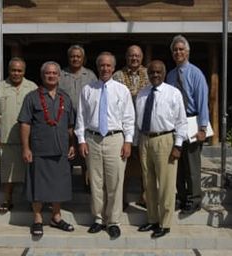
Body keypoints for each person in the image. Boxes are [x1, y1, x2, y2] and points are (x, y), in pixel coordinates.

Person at [75, 51, 135, 239]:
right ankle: (98, 219)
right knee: (95, 182)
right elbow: (81, 118)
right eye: (102, 65)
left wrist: (128, 141)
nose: (105, 68)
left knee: (115, 182)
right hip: (92, 139)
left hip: (115, 139)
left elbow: (129, 118)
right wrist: (81, 140)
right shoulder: (88, 89)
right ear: (97, 67)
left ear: (113, 68)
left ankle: (113, 221)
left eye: (109, 65)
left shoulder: (121, 90)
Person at [18, 61, 76, 236]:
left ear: (59, 76)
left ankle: (56, 217)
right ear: (42, 76)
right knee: (38, 186)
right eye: (47, 73)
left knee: (59, 185)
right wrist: (26, 148)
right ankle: (37, 218)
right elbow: (25, 124)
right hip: (39, 150)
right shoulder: (32, 97)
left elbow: (70, 125)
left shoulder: (65, 97)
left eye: (54, 73)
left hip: (61, 150)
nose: (51, 76)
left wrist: (72, 144)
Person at [136, 60, 187, 238]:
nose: (155, 75)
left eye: (158, 72)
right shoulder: (142, 94)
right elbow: (138, 120)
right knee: (148, 184)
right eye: (152, 72)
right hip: (145, 140)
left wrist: (178, 145)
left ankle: (165, 224)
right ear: (147, 74)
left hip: (165, 140)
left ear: (164, 73)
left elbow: (181, 121)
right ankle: (152, 219)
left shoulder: (173, 93)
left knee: (166, 184)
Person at [0, 57, 37, 214]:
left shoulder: (32, 87)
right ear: (9, 71)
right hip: (7, 138)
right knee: (8, 174)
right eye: (13, 70)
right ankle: (8, 201)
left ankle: (32, 202)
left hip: (29, 140)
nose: (16, 73)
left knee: (30, 172)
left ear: (24, 71)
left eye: (19, 70)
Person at [166, 35, 210, 214]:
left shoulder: (196, 73)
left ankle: (194, 200)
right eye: (175, 50)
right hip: (175, 124)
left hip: (192, 121)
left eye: (181, 49)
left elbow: (202, 101)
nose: (178, 52)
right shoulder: (170, 75)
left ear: (188, 52)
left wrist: (203, 128)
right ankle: (182, 197)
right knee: (178, 165)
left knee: (192, 166)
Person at [113, 45, 149, 209]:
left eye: (137, 56)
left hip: (144, 127)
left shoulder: (149, 74)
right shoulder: (117, 76)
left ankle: (145, 196)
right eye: (131, 55)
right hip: (123, 126)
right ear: (126, 57)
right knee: (123, 164)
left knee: (145, 163)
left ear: (141, 57)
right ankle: (121, 198)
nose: (134, 58)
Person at [59, 45, 97, 191]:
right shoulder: (61, 74)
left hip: (85, 122)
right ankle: (65, 186)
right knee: (66, 153)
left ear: (83, 59)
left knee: (85, 155)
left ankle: (86, 184)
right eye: (72, 56)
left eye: (78, 56)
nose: (75, 59)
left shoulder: (90, 75)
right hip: (64, 121)